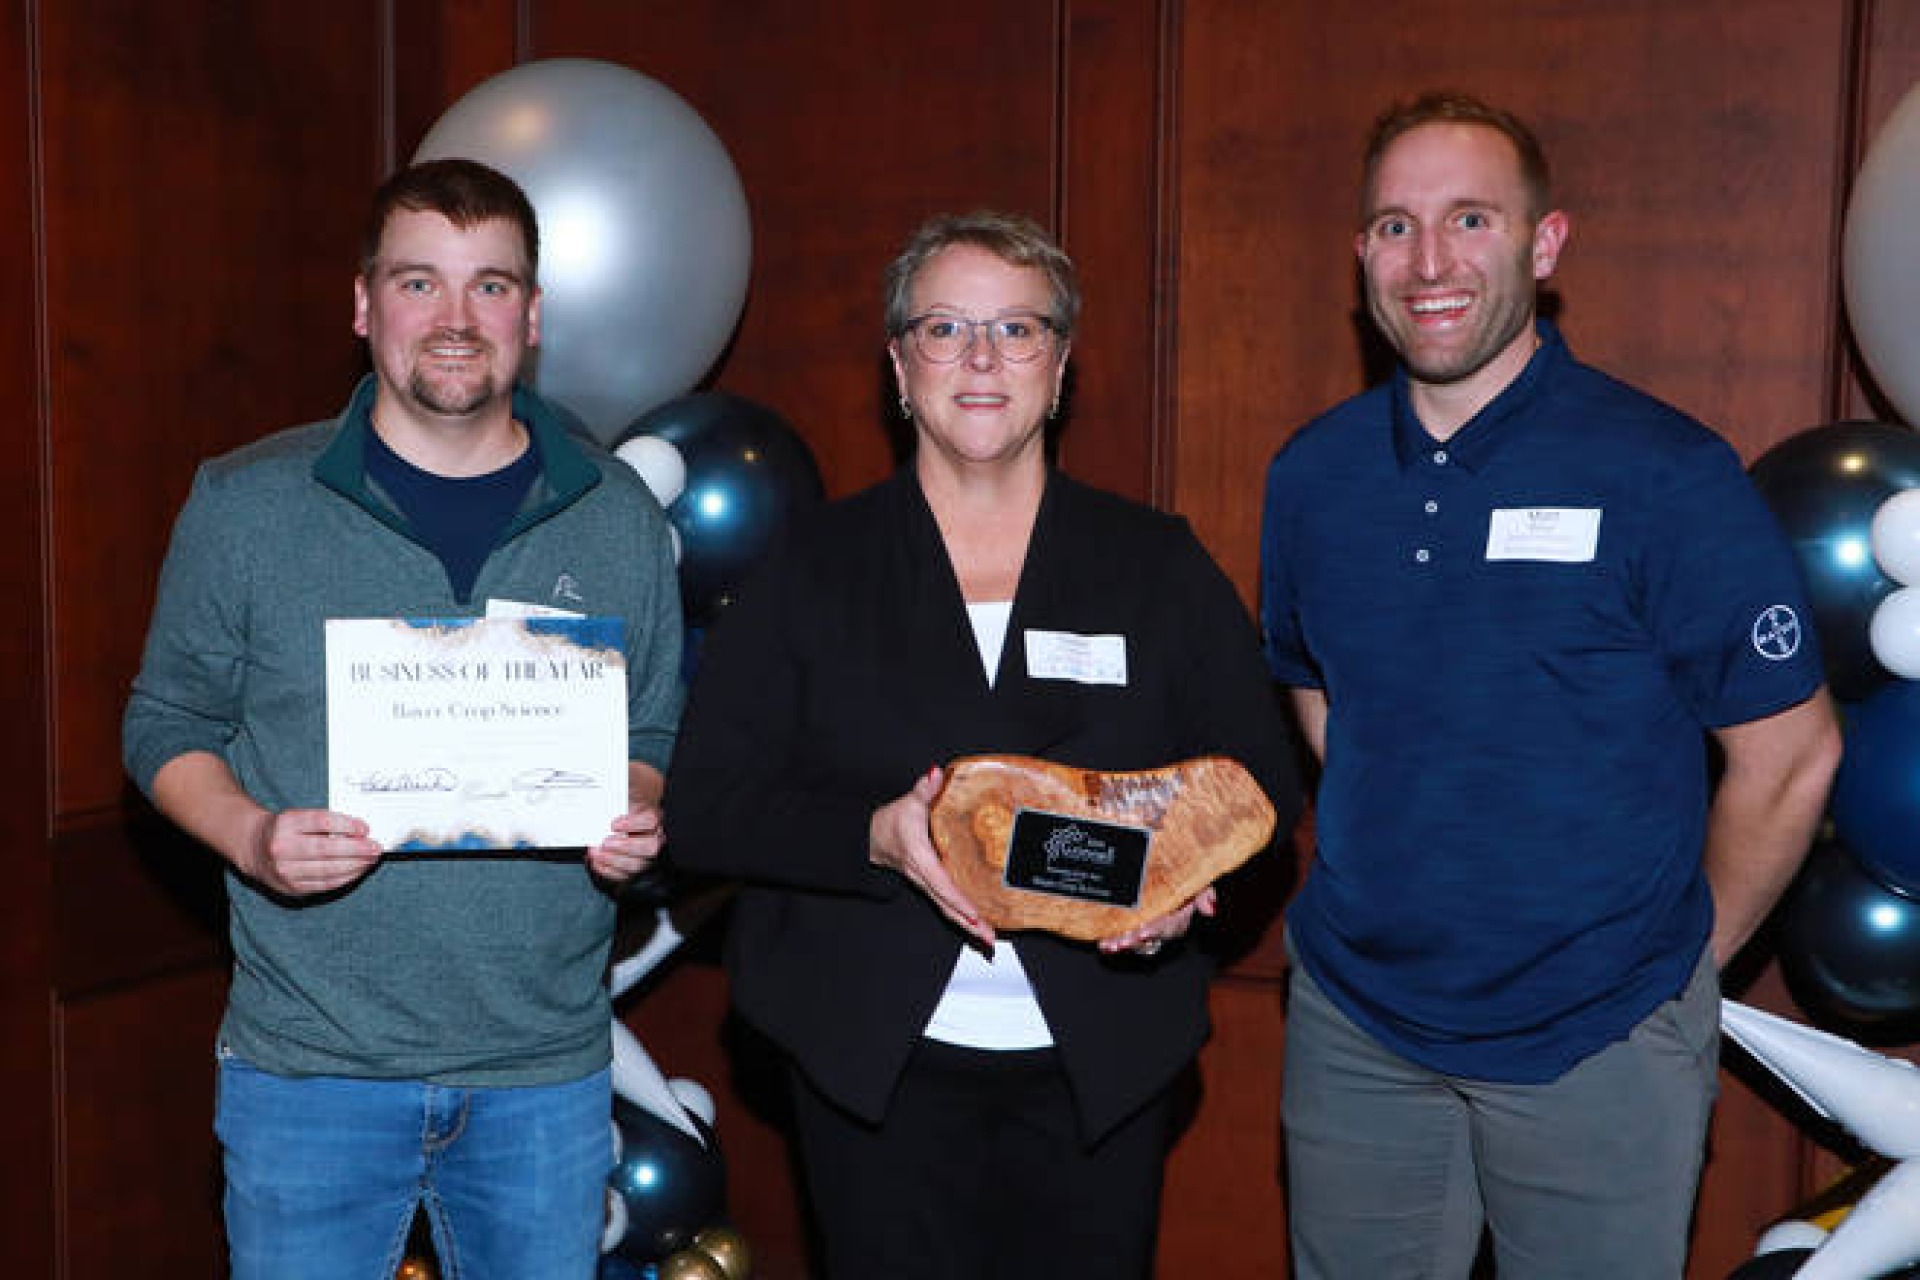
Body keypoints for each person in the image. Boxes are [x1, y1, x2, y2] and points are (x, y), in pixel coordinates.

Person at [1259, 91, 1842, 1278]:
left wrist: (1678, 975)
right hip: (1357, 1025)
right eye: (1396, 226)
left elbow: (1792, 755)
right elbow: (1322, 699)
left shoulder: (1665, 472)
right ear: (1362, 252)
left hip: (1599, 1037)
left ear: (1545, 243)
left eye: (1471, 220)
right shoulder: (1312, 476)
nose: (1430, 261)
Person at [664, 210, 1300, 1279]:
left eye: (1017, 329)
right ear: (898, 366)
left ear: (1060, 365)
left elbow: (1262, 788)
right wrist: (872, 836)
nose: (981, 358)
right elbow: (706, 809)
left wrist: (1188, 889)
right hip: (871, 1065)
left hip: (1100, 1066)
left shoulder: (1155, 565)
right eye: (945, 328)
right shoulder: (813, 567)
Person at [121, 158, 683, 1279]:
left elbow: (650, 732)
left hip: (543, 1073)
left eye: (490, 285)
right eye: (420, 282)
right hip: (309, 1069)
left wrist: (629, 807)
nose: (455, 318)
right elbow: (164, 720)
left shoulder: (615, 515)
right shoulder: (247, 501)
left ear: (532, 315)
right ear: (365, 303)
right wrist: (251, 837)